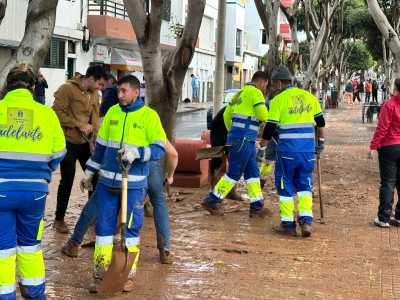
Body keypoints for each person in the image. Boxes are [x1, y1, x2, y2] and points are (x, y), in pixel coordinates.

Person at [80, 75, 166, 292]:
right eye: (118, 91)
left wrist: (137, 152)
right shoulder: (112, 113)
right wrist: (89, 172)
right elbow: (100, 148)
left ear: (136, 92)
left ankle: (128, 276)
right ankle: (100, 276)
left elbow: (159, 148)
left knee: (131, 230)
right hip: (107, 184)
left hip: (134, 186)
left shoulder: (149, 117)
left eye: (124, 91)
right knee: (103, 230)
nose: (119, 95)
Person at [0, 64, 66, 300]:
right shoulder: (46, 114)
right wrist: (42, 172)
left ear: (7, 85)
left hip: (1, 192)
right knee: (30, 248)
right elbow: (59, 153)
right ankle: (35, 295)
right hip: (35, 193)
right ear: (33, 87)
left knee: (3, 252)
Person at [61, 140, 177, 265]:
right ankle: (164, 251)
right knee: (159, 203)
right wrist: (170, 176)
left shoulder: (116, 122)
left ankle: (74, 243)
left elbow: (101, 151)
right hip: (150, 168)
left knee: (96, 201)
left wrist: (90, 173)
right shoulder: (151, 126)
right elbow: (173, 154)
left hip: (119, 166)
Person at [262, 66, 325, 237]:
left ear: (280, 83)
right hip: (307, 152)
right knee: (305, 186)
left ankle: (288, 224)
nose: (274, 88)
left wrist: (262, 142)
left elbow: (270, 127)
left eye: (274, 85)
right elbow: (321, 123)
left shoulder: (278, 100)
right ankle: (306, 221)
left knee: (285, 186)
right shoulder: (310, 97)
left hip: (287, 152)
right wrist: (320, 143)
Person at [202, 71, 270, 217]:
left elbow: (227, 116)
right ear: (262, 82)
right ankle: (212, 200)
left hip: (241, 139)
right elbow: (263, 115)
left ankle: (257, 206)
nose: (265, 88)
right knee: (234, 173)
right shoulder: (256, 93)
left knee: (253, 174)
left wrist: (232, 134)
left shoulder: (238, 94)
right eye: (265, 85)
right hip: (245, 139)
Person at [52, 65, 105, 234]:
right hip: (68, 142)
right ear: (90, 78)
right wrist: (79, 124)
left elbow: (95, 118)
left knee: (94, 178)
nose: (100, 88)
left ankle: (91, 216)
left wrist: (95, 139)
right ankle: (59, 219)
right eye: (99, 84)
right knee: (67, 180)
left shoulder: (95, 94)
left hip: (85, 144)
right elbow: (56, 113)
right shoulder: (67, 89)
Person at [369, 78, 400, 228]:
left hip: (389, 147)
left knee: (388, 182)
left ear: (395, 88)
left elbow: (382, 128)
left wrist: (373, 146)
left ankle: (384, 218)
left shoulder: (389, 105)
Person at [209, 106, 243, 201]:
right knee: (221, 163)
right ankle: (215, 191)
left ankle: (229, 192)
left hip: (225, 131)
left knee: (230, 163)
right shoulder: (239, 107)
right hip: (220, 132)